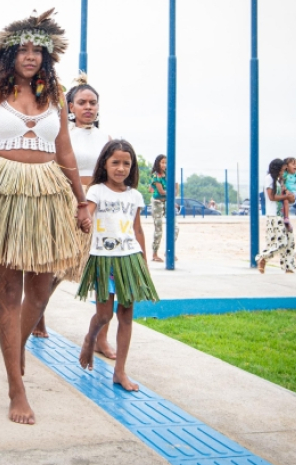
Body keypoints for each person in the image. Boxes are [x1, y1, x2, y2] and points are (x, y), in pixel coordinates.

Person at [0, 9, 90, 425]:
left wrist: (81, 199)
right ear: (9, 55)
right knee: (8, 290)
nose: (31, 56)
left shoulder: (55, 94)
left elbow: (66, 151)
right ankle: (16, 387)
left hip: (47, 193)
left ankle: (13, 353)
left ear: (47, 57)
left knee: (41, 289)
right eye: (24, 49)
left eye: (38, 50)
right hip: (1, 192)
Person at [34, 75, 117, 358]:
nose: (88, 107)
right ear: (70, 106)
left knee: (105, 272)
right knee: (57, 269)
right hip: (68, 203)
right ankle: (37, 311)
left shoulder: (106, 138)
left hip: (100, 207)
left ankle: (100, 337)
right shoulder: (61, 133)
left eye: (93, 103)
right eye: (82, 102)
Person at [77, 139, 159, 392]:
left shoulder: (135, 195)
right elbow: (86, 215)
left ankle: (120, 372)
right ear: (105, 164)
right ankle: (90, 339)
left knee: (126, 316)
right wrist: (83, 220)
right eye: (115, 163)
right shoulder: (97, 191)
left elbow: (138, 230)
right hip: (104, 259)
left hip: (130, 259)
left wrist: (143, 263)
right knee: (104, 314)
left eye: (126, 163)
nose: (121, 168)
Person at [256, 158, 296, 273]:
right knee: (280, 242)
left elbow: (287, 197)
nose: (283, 172)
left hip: (284, 215)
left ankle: (288, 267)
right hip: (274, 216)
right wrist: (286, 197)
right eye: (282, 170)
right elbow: (271, 197)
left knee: (289, 242)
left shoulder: (280, 181)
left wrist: (291, 197)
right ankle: (263, 258)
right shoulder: (269, 179)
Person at [150, 154, 179, 262]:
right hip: (157, 202)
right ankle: (154, 253)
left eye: (166, 162)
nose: (164, 165)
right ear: (158, 163)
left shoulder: (169, 174)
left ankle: (169, 250)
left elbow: (176, 188)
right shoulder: (156, 176)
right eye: (162, 162)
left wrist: (173, 192)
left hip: (167, 201)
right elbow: (161, 191)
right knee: (159, 229)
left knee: (175, 228)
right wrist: (172, 193)